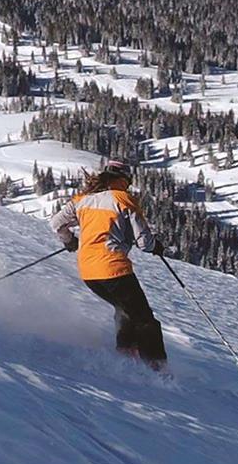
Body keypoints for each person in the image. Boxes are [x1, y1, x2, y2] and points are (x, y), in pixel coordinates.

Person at [49, 158, 168, 369]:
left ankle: (126, 354)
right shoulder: (123, 199)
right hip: (113, 268)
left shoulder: (82, 200)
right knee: (144, 319)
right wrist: (155, 247)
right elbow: (144, 242)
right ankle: (157, 368)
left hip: (88, 272)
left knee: (124, 310)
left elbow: (56, 223)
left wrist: (70, 240)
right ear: (123, 179)